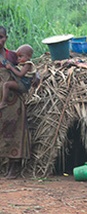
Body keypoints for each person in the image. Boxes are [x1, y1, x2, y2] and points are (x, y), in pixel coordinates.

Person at [0, 26, 29, 179]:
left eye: (1, 37)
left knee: (13, 129)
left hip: (12, 100)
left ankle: (14, 167)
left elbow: (27, 71)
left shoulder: (12, 56)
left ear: (6, 38)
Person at [0, 44, 36, 110]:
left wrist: (11, 68)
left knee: (6, 85)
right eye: (18, 57)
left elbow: (20, 74)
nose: (18, 58)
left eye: (20, 56)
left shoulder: (27, 64)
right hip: (19, 82)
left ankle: (3, 102)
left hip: (23, 84)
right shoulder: (21, 61)